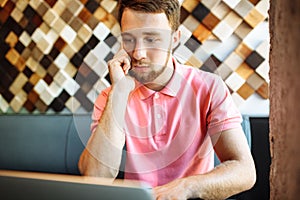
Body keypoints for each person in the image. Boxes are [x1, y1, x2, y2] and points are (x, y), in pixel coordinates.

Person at [78, 0, 256, 199]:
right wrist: (119, 93)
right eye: (129, 39)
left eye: (152, 40)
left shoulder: (209, 87)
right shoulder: (111, 96)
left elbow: (244, 171)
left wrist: (186, 187)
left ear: (175, 39)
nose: (138, 53)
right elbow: (95, 176)